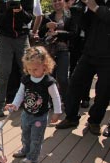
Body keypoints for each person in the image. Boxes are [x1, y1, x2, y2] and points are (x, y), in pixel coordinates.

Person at [56, 0, 110, 135]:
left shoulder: (99, 4)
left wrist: (96, 8)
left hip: (107, 58)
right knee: (74, 84)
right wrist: (74, 9)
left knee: (103, 93)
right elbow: (85, 25)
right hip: (89, 53)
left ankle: (94, 121)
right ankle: (71, 117)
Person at [5, 46, 62, 163]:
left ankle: (32, 157)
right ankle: (25, 149)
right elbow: (20, 93)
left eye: (35, 69)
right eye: (29, 69)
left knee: (36, 138)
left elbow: (56, 98)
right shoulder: (26, 79)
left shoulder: (48, 82)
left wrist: (57, 112)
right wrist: (15, 104)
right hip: (26, 114)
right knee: (25, 134)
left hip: (40, 117)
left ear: (45, 66)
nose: (32, 72)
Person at [0, 0, 34, 117]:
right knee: (4, 71)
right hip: (5, 38)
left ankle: (31, 102)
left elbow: (29, 18)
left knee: (28, 69)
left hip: (22, 37)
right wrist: (8, 10)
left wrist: (20, 11)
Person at [38, 0, 77, 104]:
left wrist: (58, 33)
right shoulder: (48, 17)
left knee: (62, 78)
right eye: (54, 1)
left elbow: (73, 33)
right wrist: (46, 26)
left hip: (63, 50)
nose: (56, 3)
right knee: (50, 78)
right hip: (49, 52)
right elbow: (41, 34)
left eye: (59, 0)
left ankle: (67, 100)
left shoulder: (70, 16)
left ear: (64, 2)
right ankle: (51, 101)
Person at [6, 0, 44, 104]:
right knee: (11, 68)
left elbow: (39, 16)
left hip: (24, 34)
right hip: (8, 35)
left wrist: (34, 31)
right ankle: (11, 98)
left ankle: (29, 97)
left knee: (26, 66)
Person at [65, 0, 91, 108]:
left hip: (89, 43)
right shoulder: (75, 7)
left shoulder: (95, 6)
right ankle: (72, 98)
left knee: (88, 72)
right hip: (76, 43)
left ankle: (85, 97)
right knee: (74, 70)